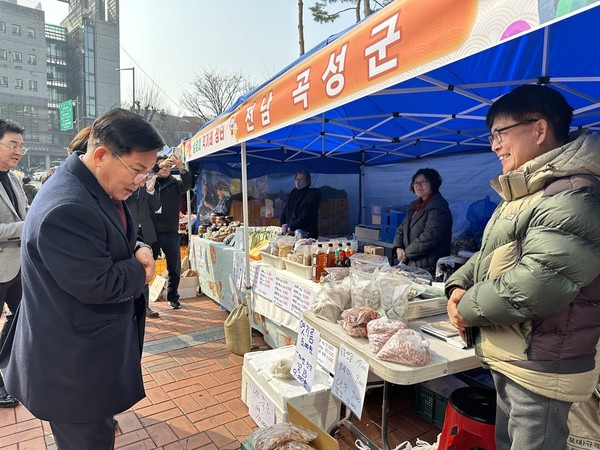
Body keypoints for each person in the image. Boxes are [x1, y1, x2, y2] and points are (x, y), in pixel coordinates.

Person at [445, 84, 600, 450]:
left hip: (542, 363)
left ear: (539, 129)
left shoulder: (574, 193)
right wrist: (454, 288)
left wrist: (465, 309)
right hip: (511, 352)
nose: (494, 145)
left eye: (500, 133)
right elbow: (485, 257)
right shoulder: (523, 192)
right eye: (491, 136)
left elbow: (538, 283)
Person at [0, 108, 164, 449]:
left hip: (86, 355)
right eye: (137, 171)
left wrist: (137, 246)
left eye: (146, 174)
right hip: (73, 370)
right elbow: (100, 282)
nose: (139, 182)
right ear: (102, 154)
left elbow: (111, 236)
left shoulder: (91, 184)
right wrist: (142, 268)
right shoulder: (68, 205)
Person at [0, 119, 27, 409]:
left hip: (19, 265)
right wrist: (25, 225)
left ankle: (8, 366)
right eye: (12, 144)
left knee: (22, 316)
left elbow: (24, 212)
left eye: (21, 145)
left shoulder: (14, 178)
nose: (18, 151)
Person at [392, 168, 452, 276]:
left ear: (433, 183)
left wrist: (407, 253)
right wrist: (398, 247)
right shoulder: (414, 206)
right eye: (416, 182)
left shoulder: (438, 207)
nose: (418, 185)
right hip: (411, 263)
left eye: (423, 182)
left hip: (428, 267)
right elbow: (401, 228)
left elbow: (430, 237)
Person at [151, 153, 192, 309]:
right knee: (149, 265)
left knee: (174, 267)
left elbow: (187, 185)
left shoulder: (175, 184)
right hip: (152, 232)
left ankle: (173, 297)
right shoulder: (150, 182)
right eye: (163, 166)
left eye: (169, 166)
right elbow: (146, 173)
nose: (165, 169)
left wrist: (181, 167)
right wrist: (157, 167)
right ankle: (144, 300)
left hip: (170, 231)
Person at [126, 176, 161, 318]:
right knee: (130, 267)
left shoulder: (147, 187)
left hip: (146, 232)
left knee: (146, 267)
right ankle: (130, 304)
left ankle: (145, 306)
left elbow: (157, 207)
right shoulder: (124, 186)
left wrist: (151, 190)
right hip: (127, 231)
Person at [280, 170, 321, 238]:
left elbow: (306, 216)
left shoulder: (312, 195)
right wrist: (283, 224)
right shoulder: (293, 193)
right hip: (291, 233)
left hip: (306, 234)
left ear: (307, 181)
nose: (298, 181)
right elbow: (285, 210)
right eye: (296, 179)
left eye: (301, 179)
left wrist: (292, 227)